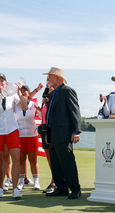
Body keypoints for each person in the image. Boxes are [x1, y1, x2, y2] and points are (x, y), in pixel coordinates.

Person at [0, 73, 28, 198]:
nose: (0, 83)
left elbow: (24, 107)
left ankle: (15, 190)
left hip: (12, 130)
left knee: (16, 158)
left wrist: (19, 92)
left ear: (6, 83)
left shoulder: (12, 95)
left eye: (2, 81)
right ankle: (0, 187)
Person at [44, 67, 82, 199]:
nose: (48, 79)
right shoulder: (53, 93)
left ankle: (75, 189)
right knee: (55, 163)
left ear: (58, 78)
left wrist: (76, 131)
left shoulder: (68, 91)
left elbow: (75, 111)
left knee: (67, 162)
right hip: (53, 134)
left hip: (64, 133)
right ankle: (61, 188)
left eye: (50, 76)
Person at [14, 85, 41, 190]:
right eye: (21, 91)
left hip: (32, 136)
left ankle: (36, 182)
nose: (23, 92)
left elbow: (43, 117)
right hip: (20, 136)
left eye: (25, 91)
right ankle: (21, 182)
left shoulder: (34, 104)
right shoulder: (15, 106)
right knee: (21, 160)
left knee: (33, 160)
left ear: (29, 93)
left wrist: (39, 110)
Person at [39, 86, 56, 193]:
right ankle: (55, 180)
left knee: (54, 158)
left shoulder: (56, 96)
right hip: (44, 128)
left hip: (52, 129)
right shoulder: (46, 95)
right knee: (49, 158)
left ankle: (54, 182)